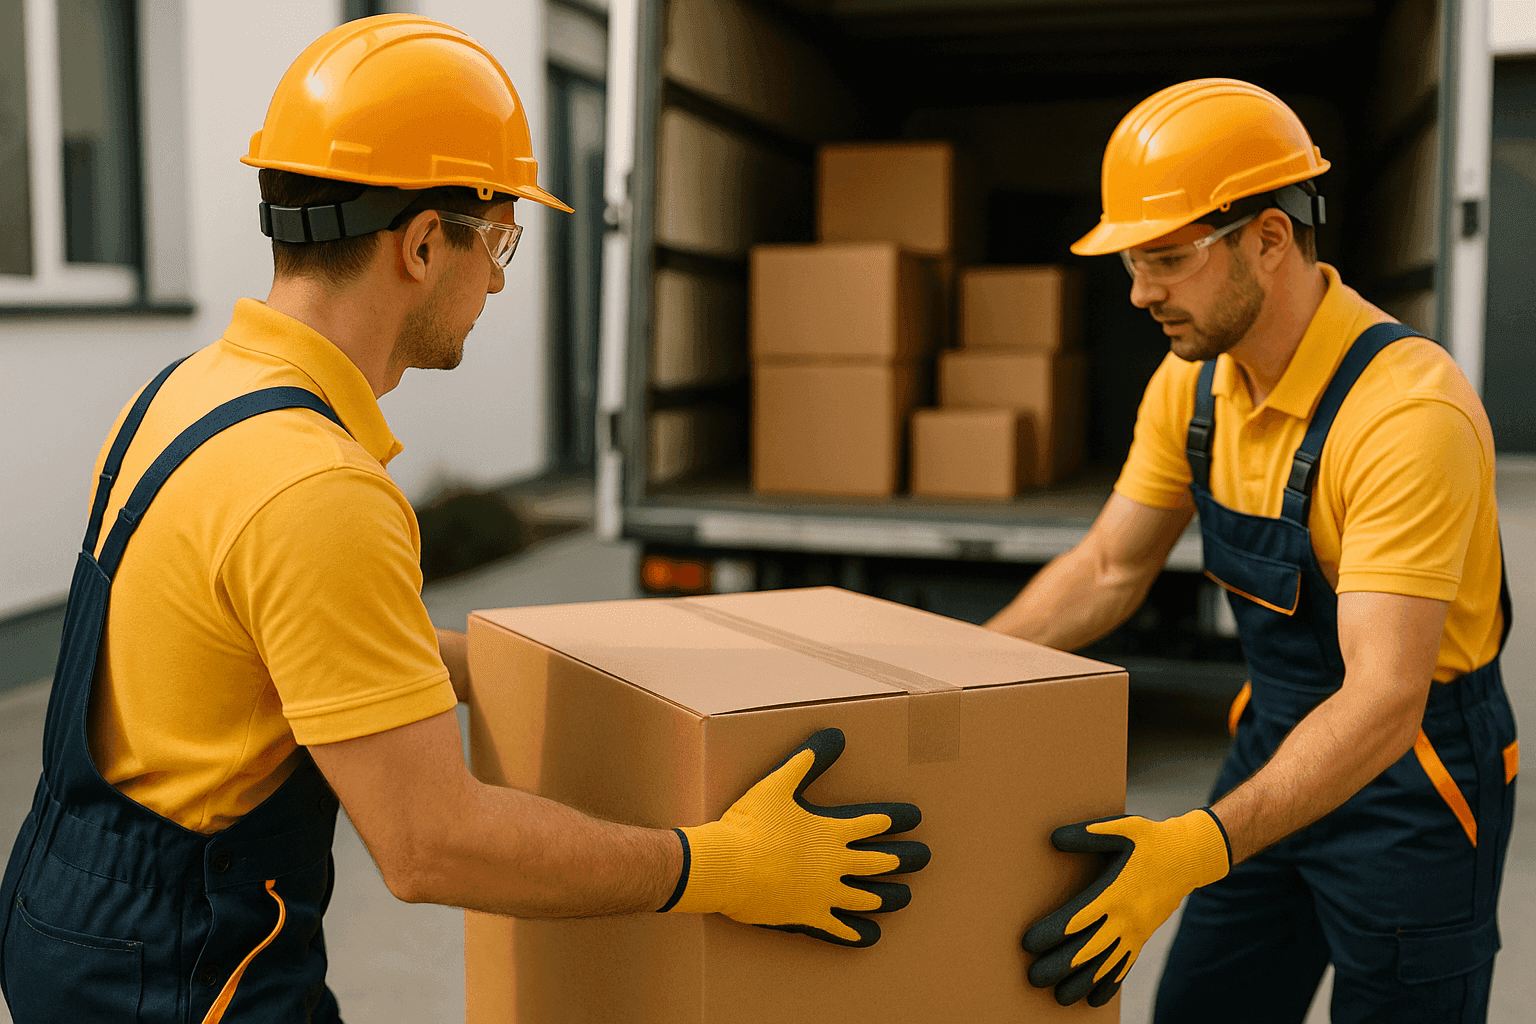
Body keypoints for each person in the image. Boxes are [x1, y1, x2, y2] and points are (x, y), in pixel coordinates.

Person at [0, 16, 927, 1023]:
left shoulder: (186, 394)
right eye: (499, 241)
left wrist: (509, 665)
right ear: (425, 242)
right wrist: (718, 865)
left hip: (68, 920)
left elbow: (280, 644)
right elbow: (432, 841)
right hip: (181, 981)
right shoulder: (317, 488)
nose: (495, 278)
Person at [989, 79, 1518, 1022]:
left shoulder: (1405, 415)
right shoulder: (1194, 386)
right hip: (1277, 735)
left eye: (1167, 259)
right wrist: (956, 677)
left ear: (1269, 239)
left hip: (1417, 779)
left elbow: (1383, 697)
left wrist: (1198, 845)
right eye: (1132, 263)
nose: (1142, 293)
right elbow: (1110, 568)